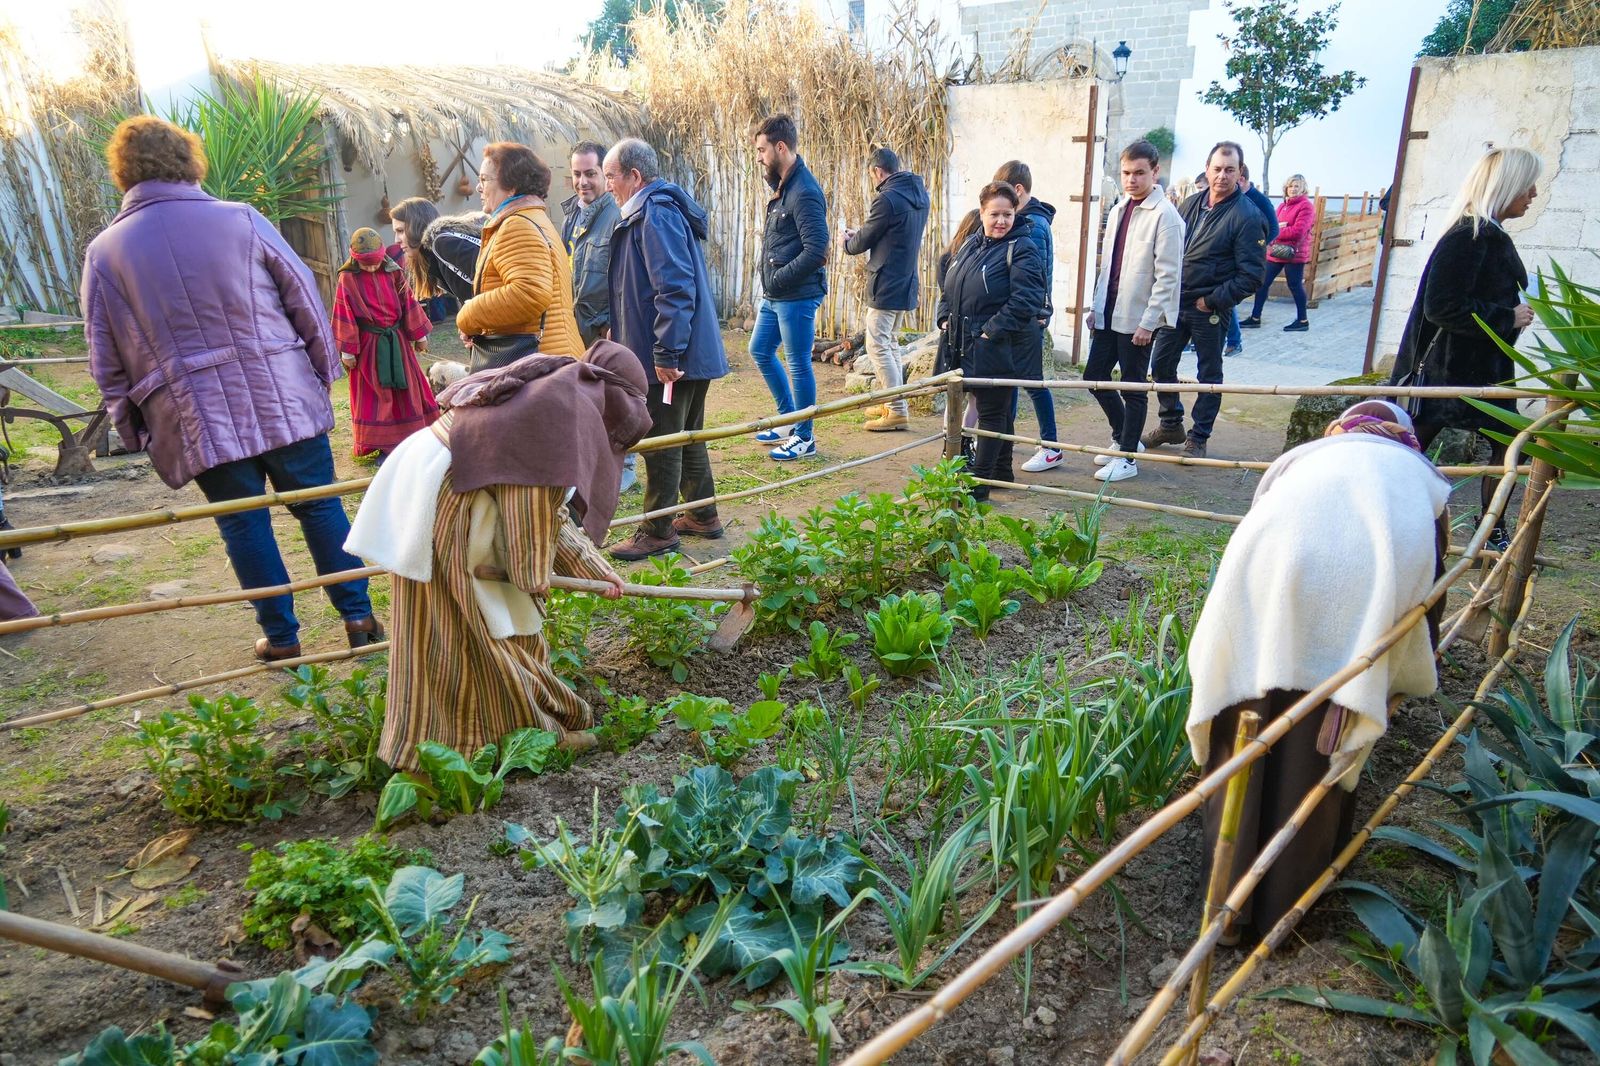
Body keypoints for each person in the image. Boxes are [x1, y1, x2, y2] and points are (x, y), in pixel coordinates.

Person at [83, 116, 380, 663]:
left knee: (242, 522)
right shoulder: (241, 219)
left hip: (194, 415)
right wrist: (321, 372)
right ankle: (359, 617)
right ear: (189, 160)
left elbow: (105, 355)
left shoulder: (106, 252)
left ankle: (283, 639)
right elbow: (302, 297)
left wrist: (134, 430)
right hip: (281, 393)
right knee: (319, 506)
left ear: (122, 171)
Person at [1186, 400, 1449, 943]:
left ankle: (1226, 918)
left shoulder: (1301, 459)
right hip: (1355, 608)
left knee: (1243, 727)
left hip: (1261, 588)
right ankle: (1282, 917)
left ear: (1340, 430)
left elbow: (1261, 514)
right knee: (1315, 755)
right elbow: (1430, 585)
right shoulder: (1421, 477)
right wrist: (1413, 658)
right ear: (1405, 438)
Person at [346, 345, 651, 768]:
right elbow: (529, 502)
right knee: (471, 629)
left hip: (445, 485)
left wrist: (594, 570)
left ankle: (495, 734)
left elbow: (548, 507)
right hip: (448, 500)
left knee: (470, 624)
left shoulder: (561, 392)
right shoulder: (560, 407)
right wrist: (531, 576)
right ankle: (508, 739)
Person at [1388, 146, 1541, 553]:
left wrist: (1511, 315)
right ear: (1507, 184)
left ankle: (1490, 529)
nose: (1533, 194)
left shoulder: (1484, 233)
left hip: (1479, 369)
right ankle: (1390, 518)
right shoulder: (1470, 236)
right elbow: (1441, 306)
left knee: (1505, 443)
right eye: (1528, 185)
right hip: (1450, 369)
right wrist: (1507, 317)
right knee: (1409, 446)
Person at [600, 138, 731, 561]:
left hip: (673, 356)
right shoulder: (653, 211)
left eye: (610, 177)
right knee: (688, 435)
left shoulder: (654, 213)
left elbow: (673, 287)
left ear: (634, 176)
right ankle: (702, 514)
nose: (607, 186)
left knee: (662, 438)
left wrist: (666, 353)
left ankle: (657, 530)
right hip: (683, 350)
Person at [1141, 141, 1267, 460]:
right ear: (1207, 170)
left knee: (1209, 374)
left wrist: (1212, 301)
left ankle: (1199, 436)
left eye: (1229, 170)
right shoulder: (1190, 203)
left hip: (1208, 307)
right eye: (1217, 169)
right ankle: (1171, 424)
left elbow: (1252, 275)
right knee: (1161, 364)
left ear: (1240, 173)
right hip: (1176, 302)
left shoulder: (1247, 215)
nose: (1222, 175)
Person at [937, 182, 1045, 503]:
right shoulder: (972, 243)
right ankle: (1000, 470)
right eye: (994, 214)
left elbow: (1027, 299)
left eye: (1007, 214)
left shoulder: (1023, 247)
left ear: (1015, 213)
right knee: (996, 409)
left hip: (997, 344)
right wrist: (943, 316)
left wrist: (990, 330)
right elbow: (951, 285)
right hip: (962, 341)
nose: (1001, 221)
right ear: (982, 212)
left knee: (992, 412)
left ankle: (979, 484)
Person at [1084, 140, 1185, 484]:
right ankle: (1123, 438)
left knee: (1133, 386)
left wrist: (1149, 322)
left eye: (1139, 173)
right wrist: (1096, 307)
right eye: (1126, 172)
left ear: (1155, 172)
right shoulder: (1118, 209)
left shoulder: (1166, 216)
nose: (1131, 179)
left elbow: (1168, 276)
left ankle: (1127, 457)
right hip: (1109, 313)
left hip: (1138, 319)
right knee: (1094, 377)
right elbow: (1108, 267)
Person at [455, 142, 583, 370]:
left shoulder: (517, 224)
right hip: (551, 361)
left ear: (512, 186)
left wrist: (469, 314)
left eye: (484, 179)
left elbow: (529, 293)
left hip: (541, 368)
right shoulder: (533, 218)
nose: (478, 187)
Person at [750, 114, 829, 461]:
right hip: (777, 295)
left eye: (762, 150)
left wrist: (780, 278)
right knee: (759, 350)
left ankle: (805, 437)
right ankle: (788, 419)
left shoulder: (805, 192)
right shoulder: (785, 185)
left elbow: (817, 251)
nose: (759, 158)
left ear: (780, 147)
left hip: (796, 294)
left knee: (798, 363)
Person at [560, 140, 634, 493]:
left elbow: (625, 278)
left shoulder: (617, 215)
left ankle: (626, 467)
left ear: (604, 174)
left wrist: (615, 325)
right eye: (577, 174)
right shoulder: (571, 216)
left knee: (618, 397)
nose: (583, 181)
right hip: (578, 327)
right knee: (588, 401)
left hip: (606, 327)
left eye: (590, 173)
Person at [842, 147, 930, 432]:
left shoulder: (887, 198)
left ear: (877, 171)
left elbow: (865, 240)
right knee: (889, 342)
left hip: (886, 281)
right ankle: (890, 401)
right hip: (905, 280)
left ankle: (896, 410)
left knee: (877, 344)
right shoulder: (919, 195)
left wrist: (848, 242)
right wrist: (863, 234)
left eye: (872, 175)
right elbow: (891, 234)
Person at [332, 228, 439, 462]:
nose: (371, 268)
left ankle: (413, 438)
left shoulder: (394, 271)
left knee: (407, 390)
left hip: (397, 342)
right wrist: (347, 350)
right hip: (369, 347)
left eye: (375, 263)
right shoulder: (347, 278)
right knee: (376, 394)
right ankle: (384, 446)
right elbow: (344, 312)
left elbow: (408, 302)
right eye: (366, 264)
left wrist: (420, 335)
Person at [993, 161, 1062, 473]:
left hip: (1027, 316)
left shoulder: (1032, 224)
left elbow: (1033, 277)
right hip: (1022, 314)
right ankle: (1005, 439)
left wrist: (1037, 311)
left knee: (1032, 382)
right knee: (1012, 380)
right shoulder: (1031, 220)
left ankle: (1051, 446)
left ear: (1018, 190)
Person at [1242, 174, 1316, 333]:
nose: (1293, 189)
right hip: (1277, 251)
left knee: (1294, 285)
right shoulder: (1283, 206)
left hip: (1294, 253)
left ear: (1303, 189)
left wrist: (1278, 231)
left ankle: (1303, 320)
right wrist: (1278, 229)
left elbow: (1298, 231)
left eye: (1297, 186)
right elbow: (1273, 225)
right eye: (1291, 186)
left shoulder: (1306, 206)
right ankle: (1255, 317)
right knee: (1262, 282)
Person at [389, 196, 484, 314]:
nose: (396, 240)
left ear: (417, 226)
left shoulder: (443, 243)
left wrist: (467, 319)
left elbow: (488, 278)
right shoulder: (438, 248)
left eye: (400, 231)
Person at [1223, 163, 1280, 356]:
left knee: (1227, 298)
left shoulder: (1259, 200)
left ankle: (1234, 341)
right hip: (1227, 255)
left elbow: (1274, 229)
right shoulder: (1233, 199)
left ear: (1241, 179)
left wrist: (1255, 247)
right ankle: (1229, 339)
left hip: (1243, 258)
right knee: (1223, 298)